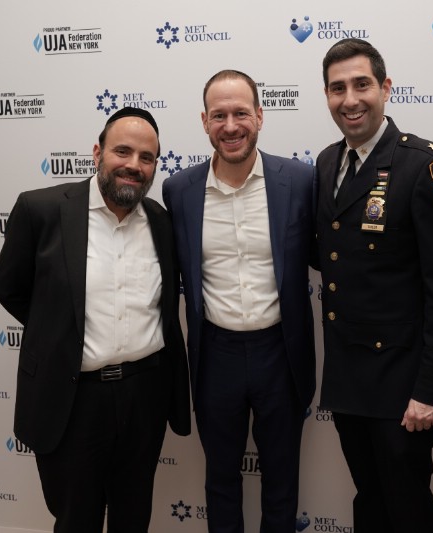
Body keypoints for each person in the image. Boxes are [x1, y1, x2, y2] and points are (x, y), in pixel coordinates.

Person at [0, 106, 191, 533]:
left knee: (133, 517)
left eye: (146, 157)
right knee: (76, 520)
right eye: (123, 151)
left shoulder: (161, 221)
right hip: (73, 400)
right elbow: (9, 287)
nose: (134, 165)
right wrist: (61, 332)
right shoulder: (41, 210)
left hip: (146, 394)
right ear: (98, 153)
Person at [315, 39, 433, 533]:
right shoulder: (327, 162)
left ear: (385, 88)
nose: (350, 99)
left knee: (407, 508)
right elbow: (334, 255)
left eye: (361, 84)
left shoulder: (426, 166)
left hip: (403, 385)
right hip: (348, 377)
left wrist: (431, 389)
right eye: (337, 88)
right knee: (370, 503)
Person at [162, 70, 316, 533]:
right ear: (204, 121)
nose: (231, 126)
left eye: (241, 113)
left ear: (260, 116)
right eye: (219, 115)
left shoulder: (300, 180)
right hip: (215, 356)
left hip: (280, 353)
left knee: (282, 480)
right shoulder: (178, 190)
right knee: (220, 480)